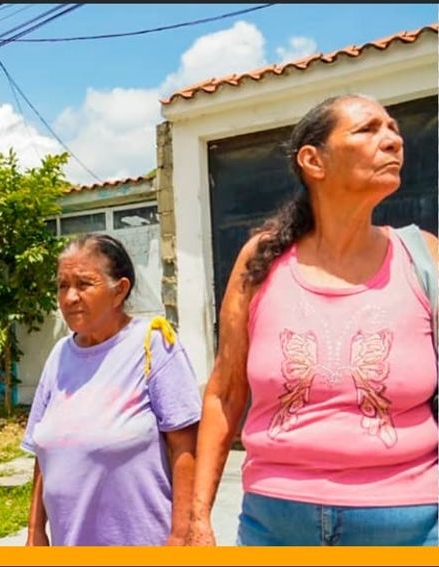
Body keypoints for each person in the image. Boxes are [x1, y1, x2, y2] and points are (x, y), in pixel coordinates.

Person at [187, 94, 439, 546]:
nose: (392, 141)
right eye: (368, 130)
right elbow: (224, 393)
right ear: (313, 160)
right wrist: (198, 518)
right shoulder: (261, 261)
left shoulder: (423, 257)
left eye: (395, 129)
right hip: (274, 522)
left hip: (408, 522)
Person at [23, 234, 201, 546]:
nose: (69, 297)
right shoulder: (59, 356)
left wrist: (181, 534)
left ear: (119, 291)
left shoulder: (153, 344)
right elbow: (44, 453)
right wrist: (35, 531)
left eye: (83, 284)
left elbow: (186, 447)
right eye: (62, 285)